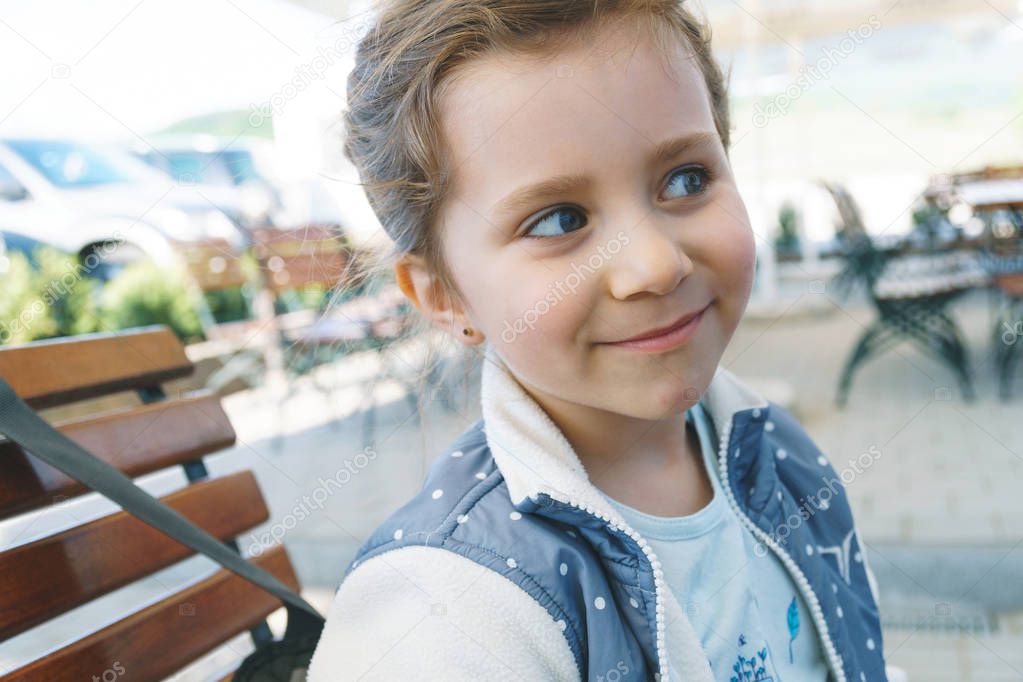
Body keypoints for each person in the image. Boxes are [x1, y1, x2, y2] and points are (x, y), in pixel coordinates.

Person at [307, 1, 889, 680]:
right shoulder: (448, 614)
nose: (655, 264)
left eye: (685, 179)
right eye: (558, 221)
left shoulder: (776, 453)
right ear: (445, 295)